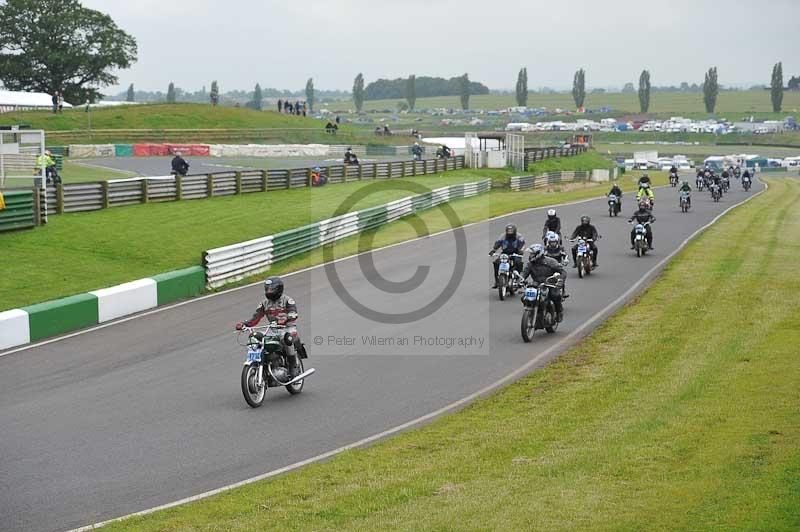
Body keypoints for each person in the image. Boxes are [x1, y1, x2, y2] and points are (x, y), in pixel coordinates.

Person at [235, 277, 304, 379]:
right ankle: (267, 362)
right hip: (273, 329)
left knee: (286, 338)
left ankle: (293, 366)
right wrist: (244, 324)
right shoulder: (264, 303)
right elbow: (255, 318)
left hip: (288, 328)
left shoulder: (288, 300)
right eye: (267, 289)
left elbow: (294, 314)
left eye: (271, 289)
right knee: (257, 338)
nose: (269, 291)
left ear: (279, 289)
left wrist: (286, 318)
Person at [520, 243, 567, 323]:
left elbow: (563, 272)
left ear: (538, 254)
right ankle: (531, 311)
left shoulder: (551, 262)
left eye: (532, 254)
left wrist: (560, 280)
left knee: (555, 295)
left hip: (550, 283)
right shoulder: (530, 264)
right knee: (524, 297)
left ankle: (559, 312)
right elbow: (524, 273)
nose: (530, 255)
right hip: (536, 284)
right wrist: (520, 279)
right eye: (530, 254)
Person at [489, 223, 525, 288]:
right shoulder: (503, 236)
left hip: (516, 253)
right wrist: (493, 250)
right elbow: (498, 243)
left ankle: (518, 279)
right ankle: (497, 281)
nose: (510, 232)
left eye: (511, 231)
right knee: (496, 263)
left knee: (518, 262)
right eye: (508, 231)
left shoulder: (519, 236)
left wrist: (520, 251)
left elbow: (522, 244)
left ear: (514, 230)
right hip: (505, 253)